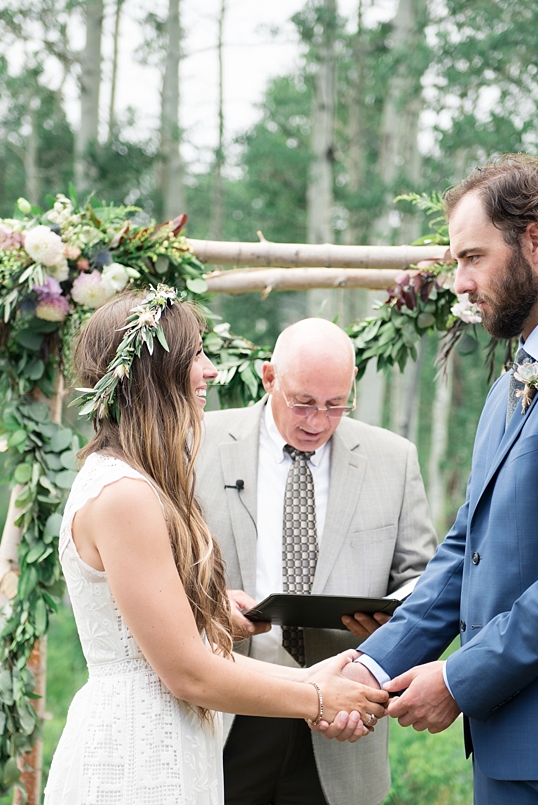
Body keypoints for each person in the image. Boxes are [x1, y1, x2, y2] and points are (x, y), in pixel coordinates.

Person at [341, 155, 538, 805]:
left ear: (536, 240)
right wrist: (371, 662)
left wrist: (459, 679)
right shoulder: (515, 379)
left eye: (472, 257)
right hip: (516, 728)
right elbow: (469, 548)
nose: (459, 281)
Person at [41, 289, 390, 806]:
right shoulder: (124, 494)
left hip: (172, 738)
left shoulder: (142, 482)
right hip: (136, 757)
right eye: (196, 354)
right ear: (160, 371)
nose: (211, 371)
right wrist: (316, 696)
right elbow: (189, 672)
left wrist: (315, 675)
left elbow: (194, 653)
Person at [194, 318, 437, 804]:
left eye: (335, 405)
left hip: (345, 719)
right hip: (228, 709)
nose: (317, 421)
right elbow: (164, 563)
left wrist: (390, 636)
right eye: (302, 403)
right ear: (269, 378)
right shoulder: (197, 441)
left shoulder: (394, 458)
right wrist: (209, 603)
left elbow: (424, 583)